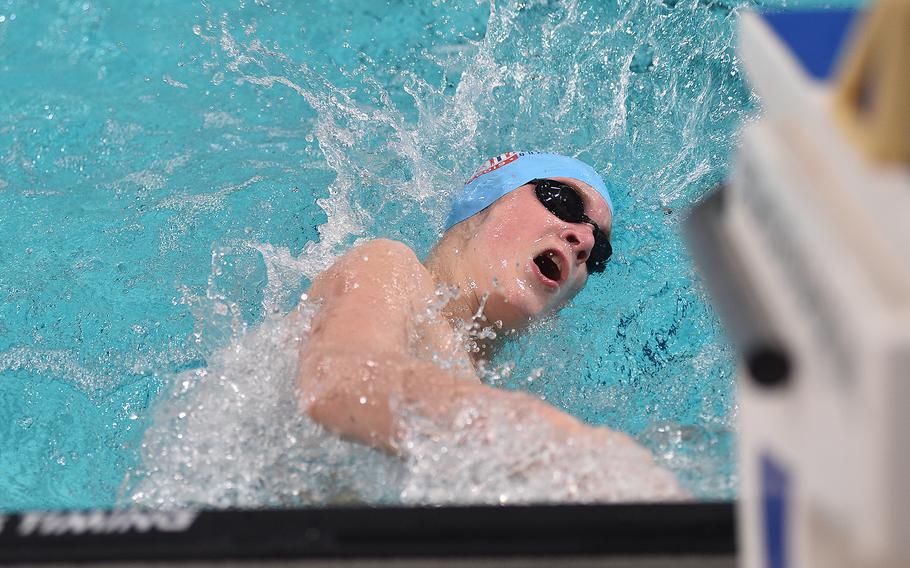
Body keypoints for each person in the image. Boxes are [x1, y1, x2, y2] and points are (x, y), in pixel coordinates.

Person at [296, 151, 680, 494]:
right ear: (481, 203)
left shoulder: (484, 389)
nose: (583, 240)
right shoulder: (388, 267)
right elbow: (338, 382)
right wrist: (551, 441)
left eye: (600, 253)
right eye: (561, 201)